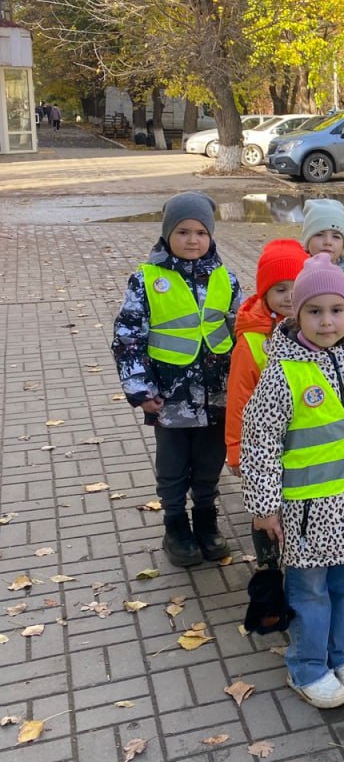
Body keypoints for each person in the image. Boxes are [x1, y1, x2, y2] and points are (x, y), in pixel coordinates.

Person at [240, 253, 344, 709]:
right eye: (314, 311)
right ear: (296, 312)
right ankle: (308, 665)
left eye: (336, 310)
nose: (326, 321)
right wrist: (264, 505)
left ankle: (343, 654)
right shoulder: (282, 372)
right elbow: (260, 442)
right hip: (308, 511)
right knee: (309, 591)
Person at [112, 192, 242, 567]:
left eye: (201, 232)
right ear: (168, 233)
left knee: (207, 463)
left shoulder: (225, 278)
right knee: (172, 465)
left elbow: (242, 331)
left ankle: (205, 520)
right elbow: (127, 337)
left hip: (216, 394)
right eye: (183, 231)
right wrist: (139, 389)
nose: (192, 240)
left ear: (211, 236)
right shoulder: (146, 280)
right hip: (169, 396)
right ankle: (175, 526)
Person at [224, 238, 308, 476]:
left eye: (297, 287)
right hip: (265, 443)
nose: (290, 297)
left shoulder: (319, 328)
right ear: (264, 292)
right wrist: (236, 448)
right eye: (280, 289)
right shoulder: (251, 340)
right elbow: (240, 396)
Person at [301, 198, 344, 309]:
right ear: (307, 241)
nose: (328, 242)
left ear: (343, 244)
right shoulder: (296, 278)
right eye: (319, 234)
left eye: (336, 236)